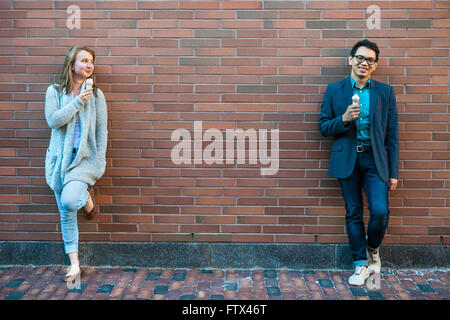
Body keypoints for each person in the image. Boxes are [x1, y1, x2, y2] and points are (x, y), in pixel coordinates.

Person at [319, 39, 399, 286]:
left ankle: (372, 248)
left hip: (376, 161)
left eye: (370, 60)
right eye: (360, 58)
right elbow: (323, 127)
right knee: (353, 212)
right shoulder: (335, 90)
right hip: (348, 159)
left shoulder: (385, 92)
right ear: (351, 60)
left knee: (380, 211)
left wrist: (393, 172)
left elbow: (392, 135)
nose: (364, 63)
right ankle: (360, 265)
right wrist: (342, 119)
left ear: (375, 66)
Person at [44, 46, 108, 283]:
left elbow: (102, 131)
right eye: (83, 61)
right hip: (60, 160)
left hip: (84, 161)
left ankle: (86, 197)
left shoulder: (97, 96)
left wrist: (99, 161)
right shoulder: (55, 92)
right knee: (66, 212)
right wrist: (77, 102)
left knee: (71, 200)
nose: (89, 65)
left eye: (91, 61)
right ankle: (74, 264)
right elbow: (53, 120)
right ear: (72, 65)